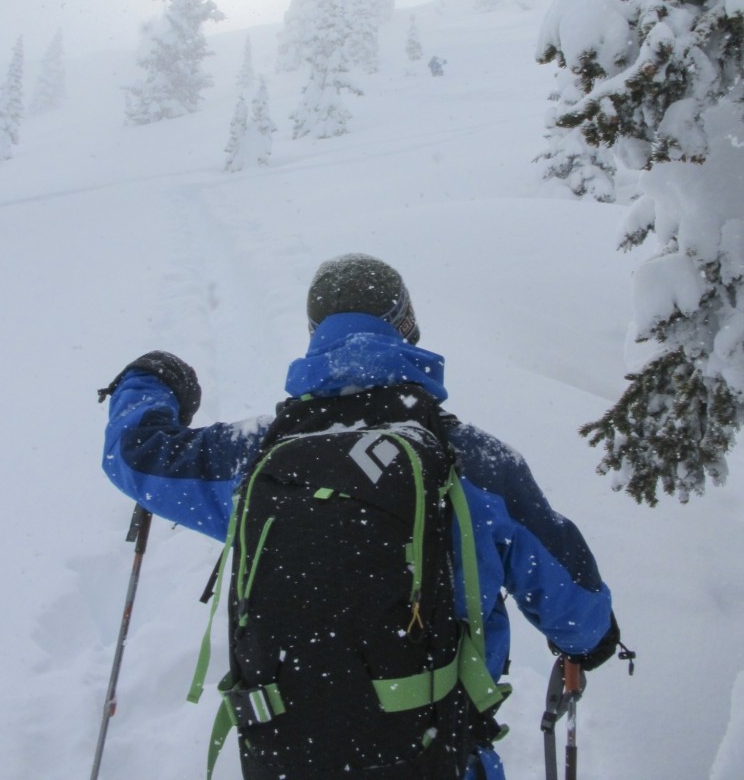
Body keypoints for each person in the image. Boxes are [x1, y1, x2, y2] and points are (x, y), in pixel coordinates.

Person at [100, 253, 620, 780]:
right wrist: (591, 643)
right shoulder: (474, 461)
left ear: (313, 336)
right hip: (434, 754)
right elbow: (574, 604)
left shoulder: (256, 458)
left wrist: (152, 380)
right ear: (407, 328)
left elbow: (135, 456)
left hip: (291, 755)